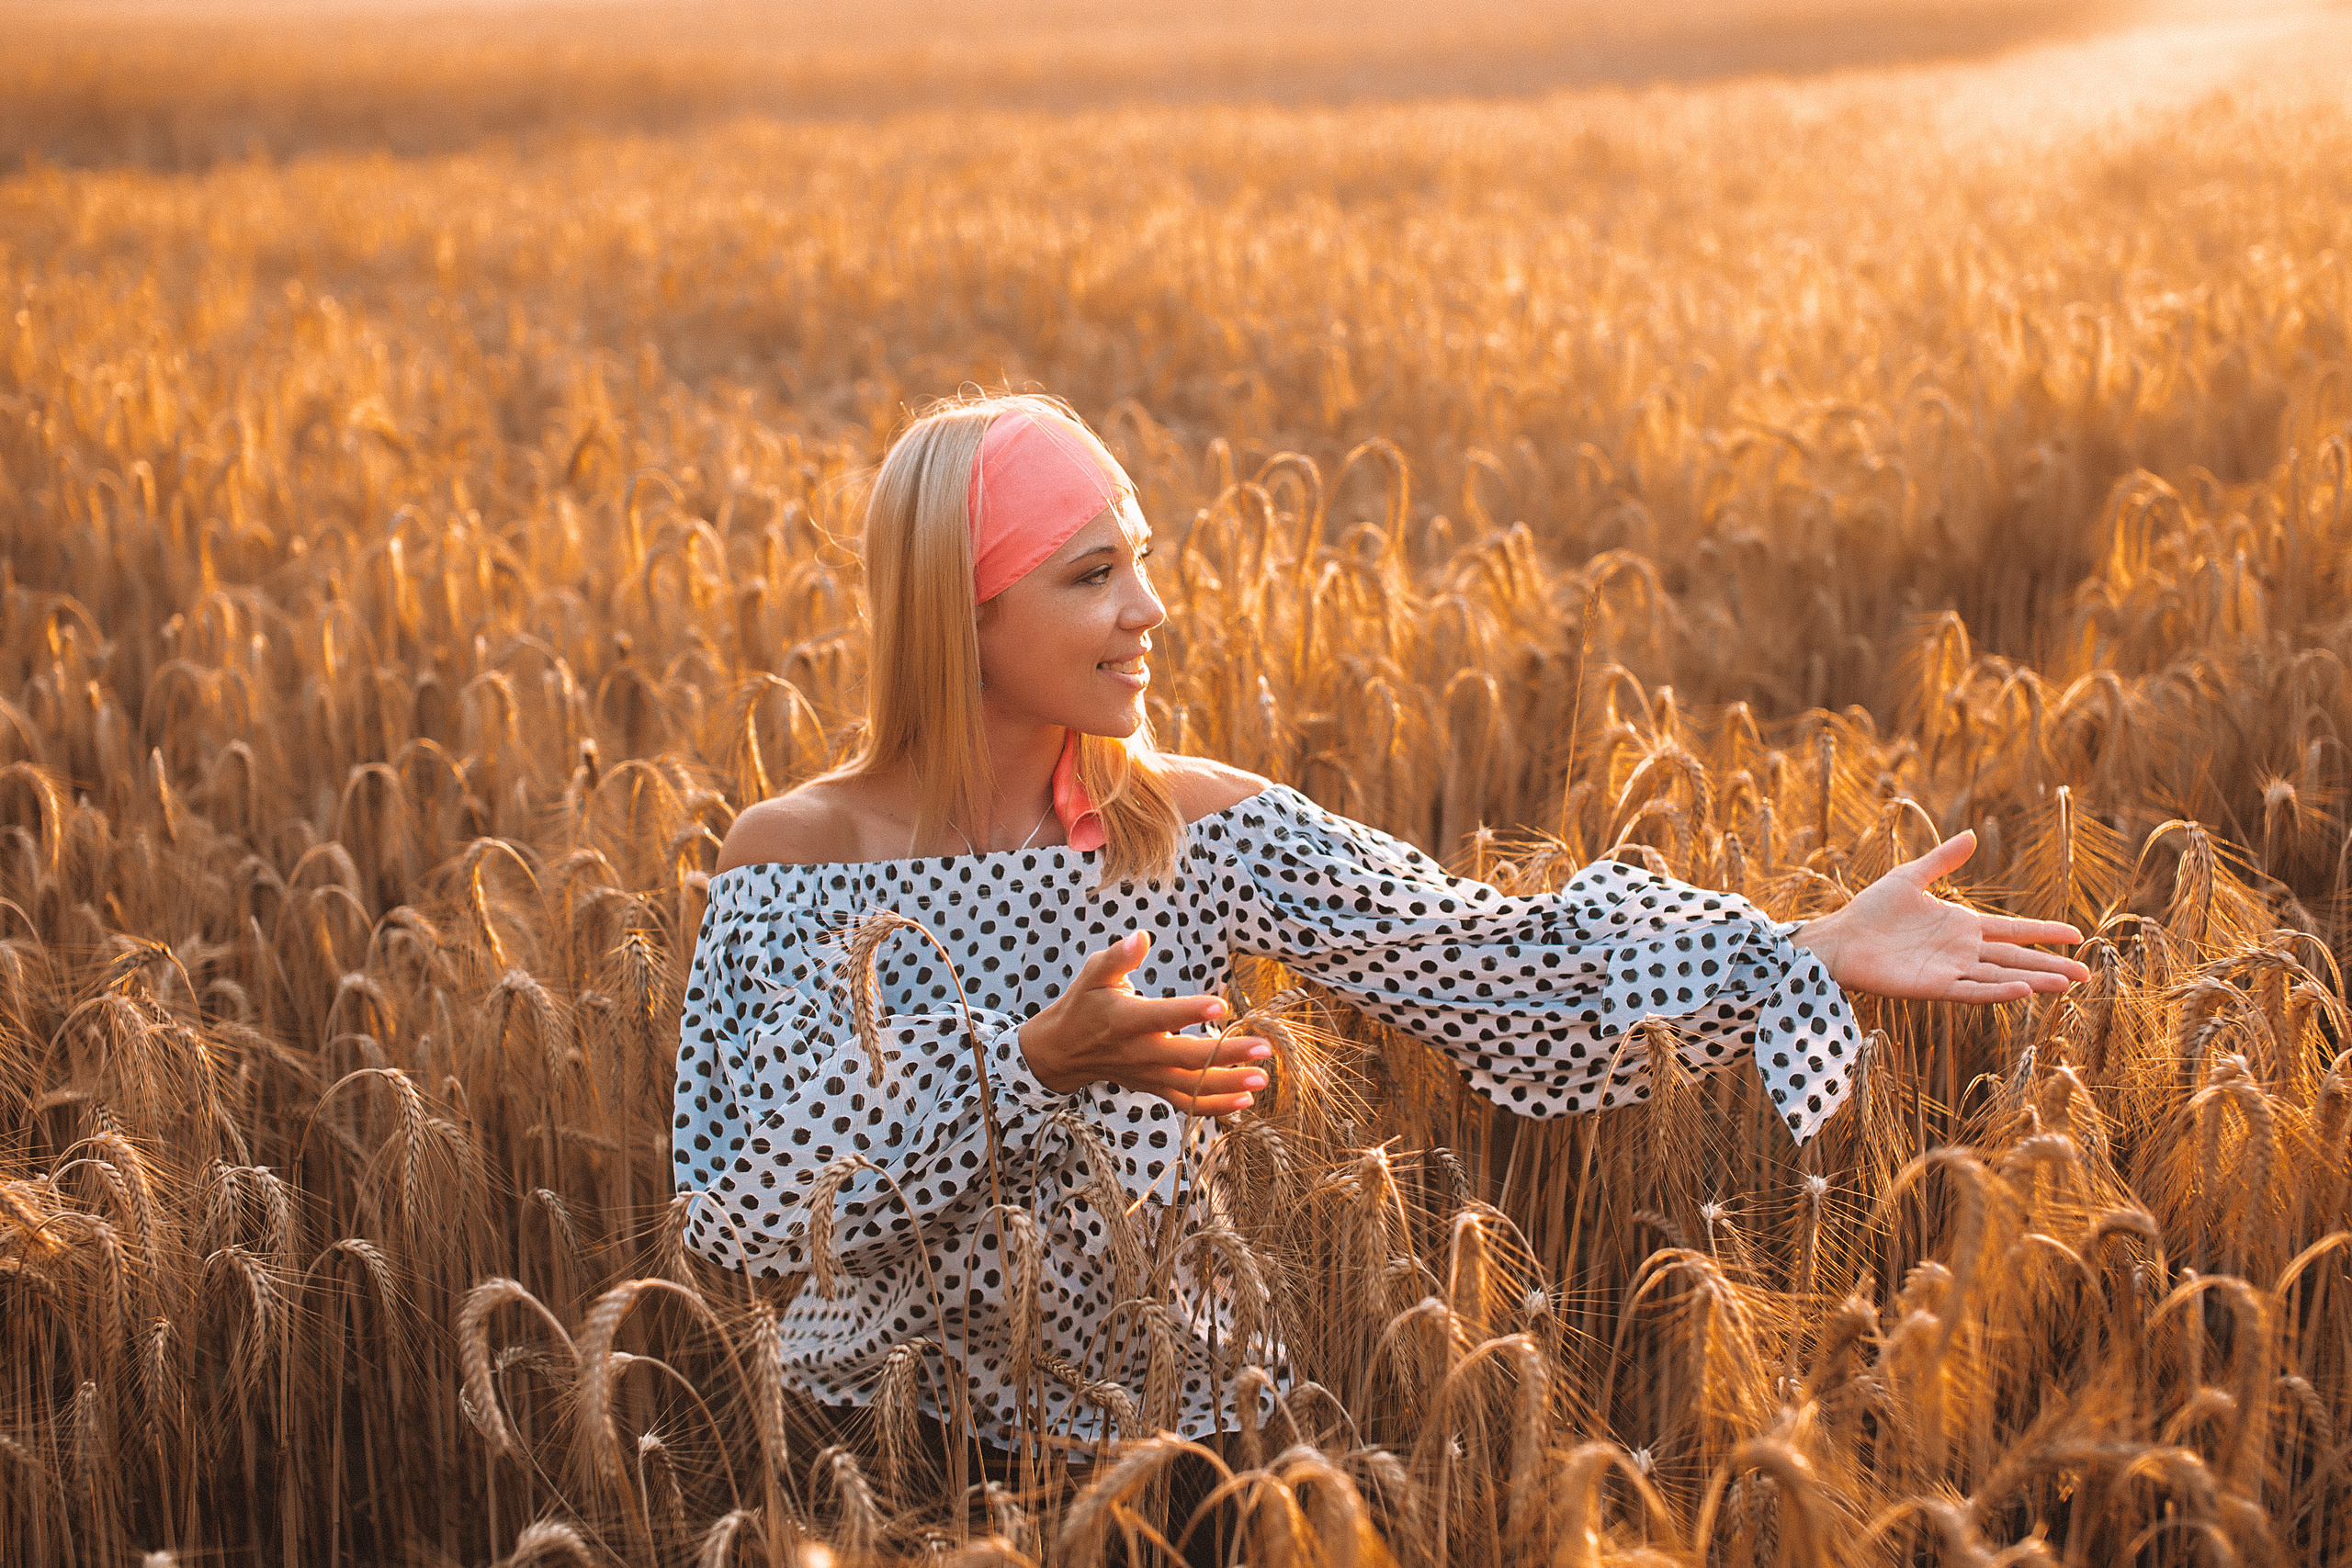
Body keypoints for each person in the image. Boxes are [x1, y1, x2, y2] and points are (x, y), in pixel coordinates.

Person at [670, 392, 2086, 1470]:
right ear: (961, 611)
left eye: (1142, 561)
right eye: (1092, 574)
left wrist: (1803, 948)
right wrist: (1032, 1065)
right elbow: (744, 1205)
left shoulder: (1197, 830)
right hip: (873, 1453)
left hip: (1171, 1447)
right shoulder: (796, 860)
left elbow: (1493, 962)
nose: (1151, 607)